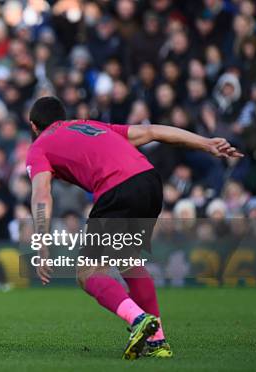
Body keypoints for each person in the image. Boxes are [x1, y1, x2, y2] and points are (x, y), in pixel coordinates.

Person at [26, 96, 242, 360]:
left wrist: (40, 243)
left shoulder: (39, 147)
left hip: (117, 188)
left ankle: (139, 319)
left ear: (34, 126)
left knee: (87, 273)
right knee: (128, 261)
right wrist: (206, 143)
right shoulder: (91, 126)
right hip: (150, 183)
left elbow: (41, 193)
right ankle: (157, 341)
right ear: (63, 116)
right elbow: (152, 131)